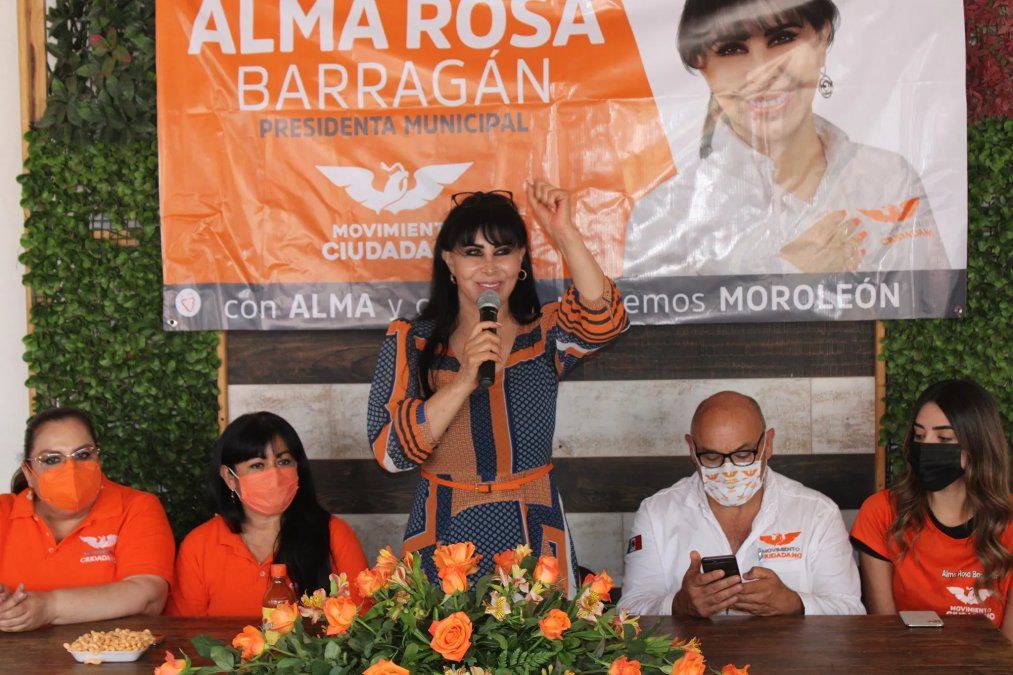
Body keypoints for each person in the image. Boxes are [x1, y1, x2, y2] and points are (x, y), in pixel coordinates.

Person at [367, 182, 628, 592]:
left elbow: (604, 319)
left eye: (502, 251)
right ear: (449, 263)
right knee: (446, 650)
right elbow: (390, 452)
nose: (490, 268)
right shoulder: (411, 341)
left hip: (534, 528)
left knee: (542, 653)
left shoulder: (544, 331)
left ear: (521, 259)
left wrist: (564, 233)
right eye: (473, 253)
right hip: (444, 529)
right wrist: (463, 380)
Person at [623, 0, 950, 277]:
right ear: (701, 64)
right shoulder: (664, 219)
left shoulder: (889, 181)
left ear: (822, 40)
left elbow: (926, 324)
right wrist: (790, 272)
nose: (762, 71)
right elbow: (659, 345)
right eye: (733, 49)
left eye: (781, 39)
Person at [620, 391, 863, 617]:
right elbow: (628, 611)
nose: (729, 469)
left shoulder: (817, 513)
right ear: (692, 450)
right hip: (691, 661)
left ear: (768, 444)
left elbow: (851, 610)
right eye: (712, 457)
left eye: (743, 455)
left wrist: (795, 603)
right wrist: (679, 605)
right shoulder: (656, 513)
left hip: (792, 661)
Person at [850, 380, 1013, 640]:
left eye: (944, 438)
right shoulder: (882, 512)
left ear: (978, 445)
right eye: (919, 435)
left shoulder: (1009, 520)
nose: (926, 446)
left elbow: (1009, 650)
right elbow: (885, 631)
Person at [167, 411, 368, 616]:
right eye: (258, 465)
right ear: (229, 477)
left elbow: (365, 621)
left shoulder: (334, 534)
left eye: (284, 462)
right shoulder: (199, 546)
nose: (274, 475)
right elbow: (184, 634)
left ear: (298, 467)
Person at [0, 407, 174, 631]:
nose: (70, 469)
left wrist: (48, 607)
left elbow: (149, 596)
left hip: (115, 661)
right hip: (15, 661)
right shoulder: (4, 512)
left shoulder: (136, 507)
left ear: (98, 459)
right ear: (28, 472)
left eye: (83, 455)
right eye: (52, 459)